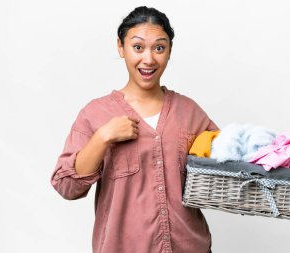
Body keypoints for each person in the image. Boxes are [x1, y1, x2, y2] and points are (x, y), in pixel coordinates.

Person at [51, 6, 218, 253]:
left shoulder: (189, 111)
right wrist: (102, 137)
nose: (149, 59)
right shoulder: (96, 114)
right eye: (138, 47)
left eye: (159, 48)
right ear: (121, 47)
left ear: (169, 51)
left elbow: (228, 166)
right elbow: (67, 186)